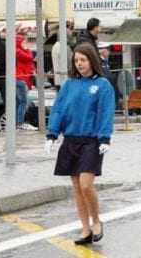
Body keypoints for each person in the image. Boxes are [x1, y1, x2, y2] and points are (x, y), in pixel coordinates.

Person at [45, 43, 115, 245]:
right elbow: (58, 110)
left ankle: (97, 221)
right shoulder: (69, 85)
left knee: (86, 185)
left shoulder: (102, 85)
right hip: (71, 140)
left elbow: (105, 112)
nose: (79, 64)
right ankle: (85, 229)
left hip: (92, 141)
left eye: (83, 60)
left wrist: (105, 138)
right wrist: (52, 134)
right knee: (76, 187)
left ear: (91, 60)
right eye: (76, 61)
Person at [16, 31, 37, 130]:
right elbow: (29, 56)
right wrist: (27, 49)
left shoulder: (19, 50)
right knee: (23, 102)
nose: (26, 44)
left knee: (22, 102)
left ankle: (20, 122)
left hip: (24, 78)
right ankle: (20, 123)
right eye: (24, 42)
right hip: (21, 78)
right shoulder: (18, 51)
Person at [51, 21, 74, 91]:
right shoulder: (65, 47)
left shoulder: (55, 46)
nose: (71, 39)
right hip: (66, 80)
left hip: (57, 80)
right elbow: (71, 64)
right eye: (70, 37)